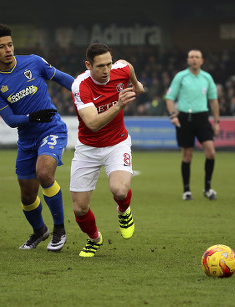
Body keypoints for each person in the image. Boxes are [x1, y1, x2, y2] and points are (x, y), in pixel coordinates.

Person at [0, 24, 74, 251]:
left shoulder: (33, 61)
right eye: (2, 47)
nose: (8, 50)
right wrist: (33, 117)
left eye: (10, 45)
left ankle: (59, 230)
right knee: (27, 196)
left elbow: (64, 79)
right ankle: (39, 231)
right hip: (27, 139)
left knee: (44, 173)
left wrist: (88, 92)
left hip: (52, 129)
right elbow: (11, 120)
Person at [70, 43, 144, 257]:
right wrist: (119, 105)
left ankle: (123, 210)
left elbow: (127, 66)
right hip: (88, 148)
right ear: (88, 65)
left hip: (117, 143)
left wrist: (136, 85)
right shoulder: (80, 85)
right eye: (100, 66)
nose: (106, 70)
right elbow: (92, 123)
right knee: (79, 209)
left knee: (119, 190)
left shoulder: (119, 70)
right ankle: (95, 239)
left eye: (109, 64)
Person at [165, 49, 220, 201]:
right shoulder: (181, 77)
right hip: (185, 118)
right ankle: (186, 190)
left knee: (211, 152)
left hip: (202, 118)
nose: (194, 59)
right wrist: (173, 115)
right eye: (191, 57)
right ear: (188, 60)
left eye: (197, 57)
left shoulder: (207, 77)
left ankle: (208, 188)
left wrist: (216, 122)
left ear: (202, 61)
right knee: (187, 155)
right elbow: (170, 97)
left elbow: (214, 101)